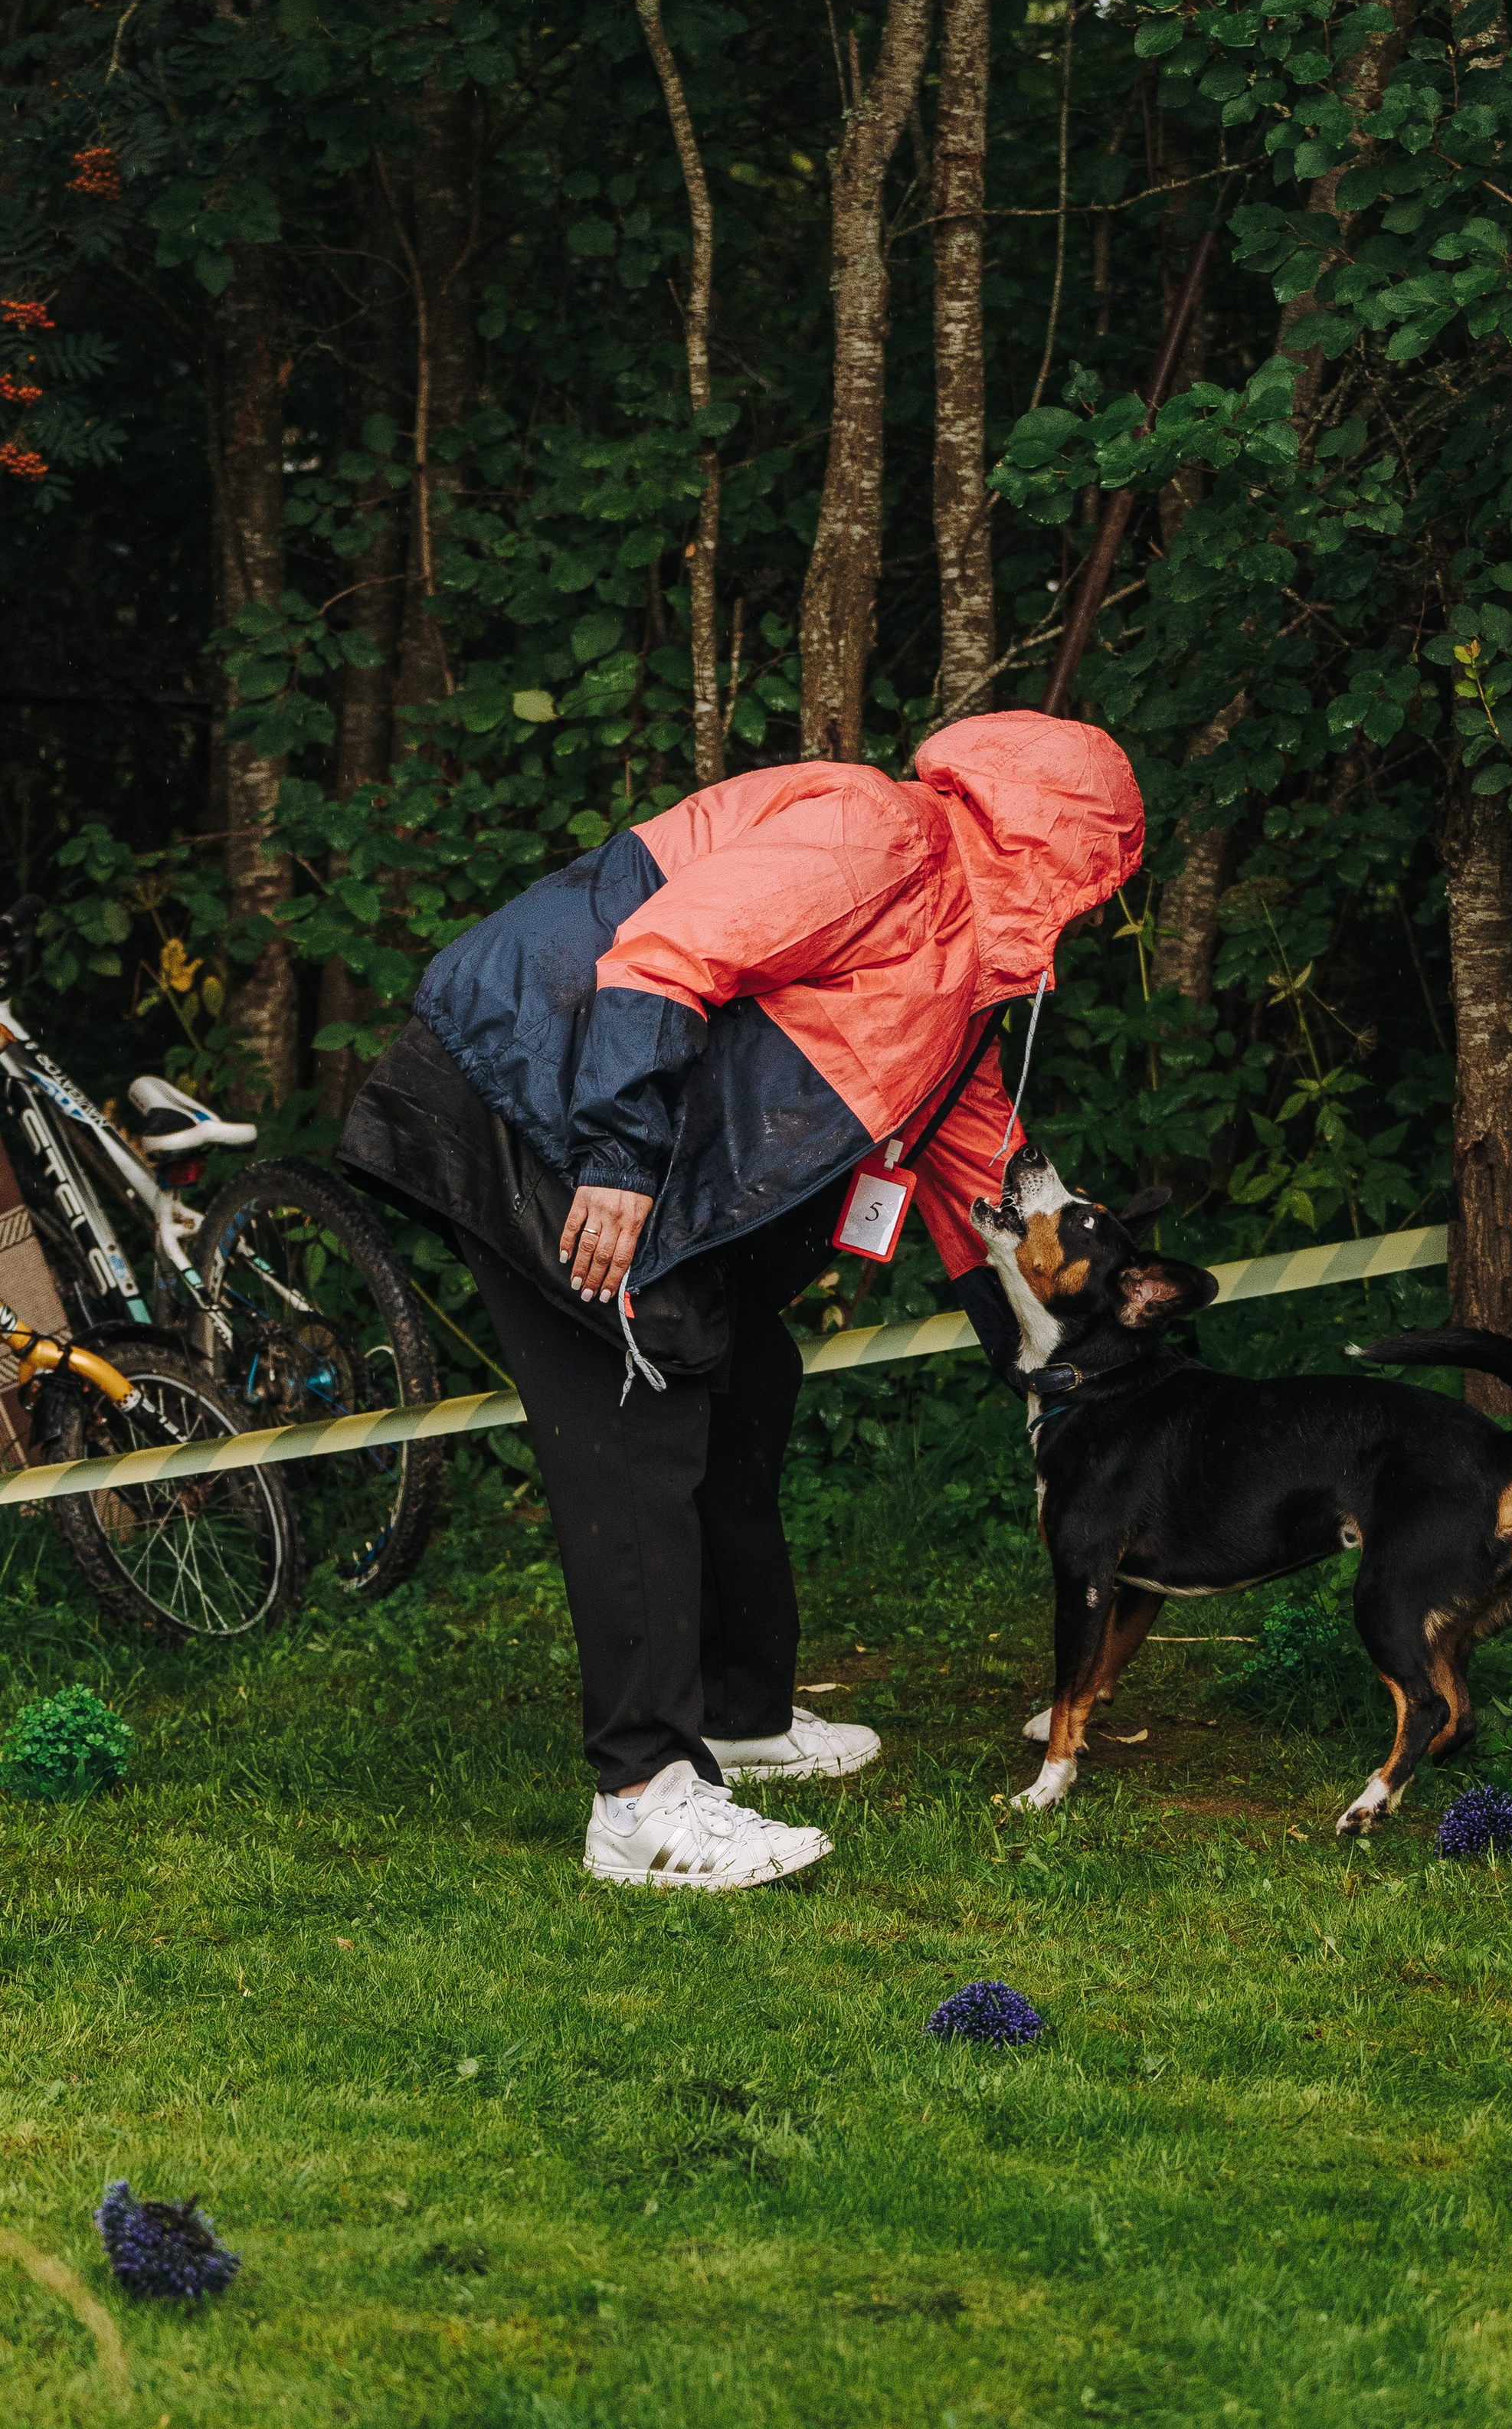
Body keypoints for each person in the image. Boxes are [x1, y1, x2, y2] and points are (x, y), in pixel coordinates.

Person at [339, 712, 1143, 1894]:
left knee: (750, 1376)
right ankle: (642, 1798)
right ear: (1054, 845)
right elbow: (666, 949)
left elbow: (981, 1172)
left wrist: (1064, 1359)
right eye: (1098, 874)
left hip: (599, 1111)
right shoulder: (881, 832)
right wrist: (619, 1158)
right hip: (531, 1086)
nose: (1097, 907)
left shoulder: (967, 966)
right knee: (641, 1401)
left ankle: (739, 1710)